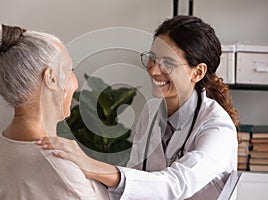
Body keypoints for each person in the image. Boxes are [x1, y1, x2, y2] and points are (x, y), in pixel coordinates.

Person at [37, 15, 239, 199]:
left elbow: (176, 184)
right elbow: (136, 184)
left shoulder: (217, 129)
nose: (153, 69)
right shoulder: (152, 112)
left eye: (167, 63)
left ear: (197, 72)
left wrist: (94, 167)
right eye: (152, 58)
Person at [0, 15, 109, 200]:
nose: (75, 83)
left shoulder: (4, 143)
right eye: (70, 70)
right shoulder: (56, 164)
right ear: (51, 79)